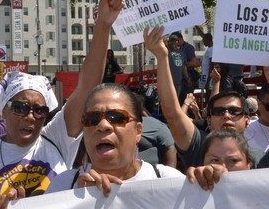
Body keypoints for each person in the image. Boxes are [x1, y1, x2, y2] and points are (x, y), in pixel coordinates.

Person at [0, 0, 124, 209]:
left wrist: (103, 26)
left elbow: (87, 87)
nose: (30, 116)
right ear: (3, 111)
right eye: (20, 107)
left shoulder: (55, 139)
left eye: (39, 110)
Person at [144, 25, 269, 169]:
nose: (226, 115)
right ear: (209, 121)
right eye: (219, 112)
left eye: (234, 111)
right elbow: (172, 114)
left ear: (247, 120)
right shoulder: (198, 148)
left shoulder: (258, 161)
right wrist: (162, 57)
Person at [46, 83, 184, 195]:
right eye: (92, 119)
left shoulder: (169, 182)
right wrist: (76, 205)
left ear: (138, 131)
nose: (103, 126)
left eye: (117, 117)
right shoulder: (63, 187)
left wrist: (204, 186)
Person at [186, 128, 253, 191]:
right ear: (203, 163)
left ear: (248, 163)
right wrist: (192, 183)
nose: (222, 168)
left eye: (233, 160)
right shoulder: (194, 189)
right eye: (215, 160)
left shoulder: (262, 191)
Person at [170, 31, 200, 104]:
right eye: (172, 41)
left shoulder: (188, 48)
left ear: (180, 39)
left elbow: (194, 62)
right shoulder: (176, 49)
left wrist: (180, 65)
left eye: (176, 41)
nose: (174, 43)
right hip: (178, 77)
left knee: (186, 99)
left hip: (187, 76)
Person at [167, 34, 188, 99]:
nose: (173, 42)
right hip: (168, 81)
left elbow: (183, 67)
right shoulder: (166, 51)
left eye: (175, 40)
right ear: (168, 42)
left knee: (176, 99)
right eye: (171, 40)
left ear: (178, 42)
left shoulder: (181, 53)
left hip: (178, 82)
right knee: (169, 100)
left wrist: (187, 78)